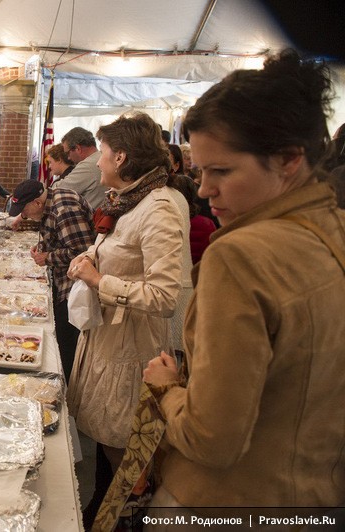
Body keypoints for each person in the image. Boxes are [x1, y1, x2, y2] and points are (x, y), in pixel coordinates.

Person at [142, 50, 345, 522]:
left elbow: (211, 439)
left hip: (223, 502)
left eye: (222, 171)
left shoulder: (240, 256)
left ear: (289, 160)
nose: (206, 188)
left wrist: (167, 389)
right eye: (200, 170)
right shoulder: (334, 230)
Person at [65, 113, 187, 528]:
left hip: (131, 353)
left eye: (100, 154)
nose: (96, 163)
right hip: (106, 344)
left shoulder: (160, 208)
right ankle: (100, 513)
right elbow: (121, 256)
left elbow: (164, 296)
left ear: (120, 157)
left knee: (126, 463)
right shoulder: (129, 199)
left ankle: (119, 520)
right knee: (106, 455)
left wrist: (100, 280)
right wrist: (89, 260)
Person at [8, 179, 95, 377]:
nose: (25, 215)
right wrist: (43, 247)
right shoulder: (51, 203)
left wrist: (47, 257)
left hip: (75, 287)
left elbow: (82, 252)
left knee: (67, 343)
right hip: (63, 280)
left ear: (37, 203)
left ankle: (68, 386)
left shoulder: (64, 209)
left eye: (25, 209)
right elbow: (59, 237)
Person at [59, 127, 107, 209]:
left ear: (78, 148)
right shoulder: (101, 158)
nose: (68, 158)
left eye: (67, 153)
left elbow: (59, 190)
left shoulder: (87, 166)